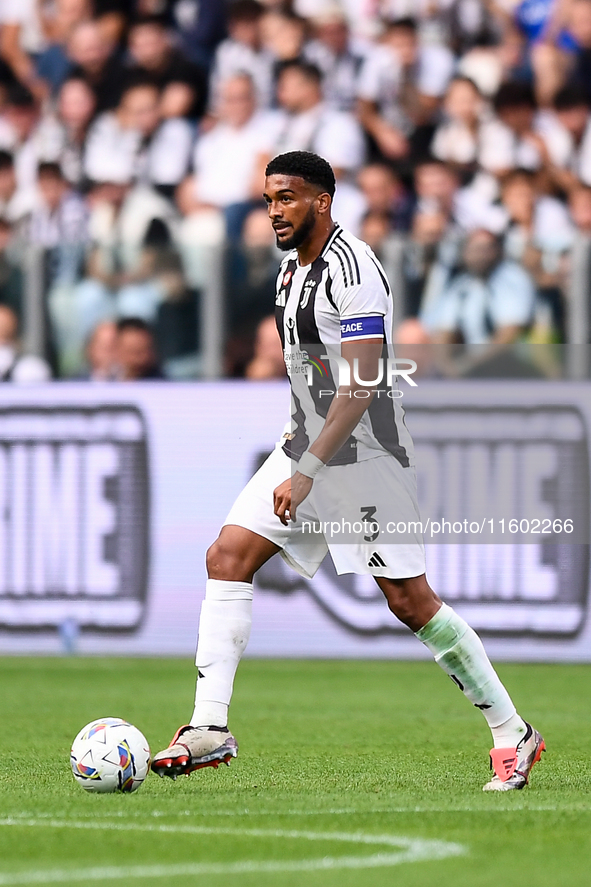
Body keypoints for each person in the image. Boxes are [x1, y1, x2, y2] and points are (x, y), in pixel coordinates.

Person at [152, 150, 545, 793]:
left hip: (362, 456)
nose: (274, 210)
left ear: (322, 201)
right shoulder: (289, 274)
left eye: (287, 198)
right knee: (227, 556)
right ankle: (208, 727)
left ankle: (513, 732)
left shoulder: (353, 267)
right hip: (307, 445)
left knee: (410, 601)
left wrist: (306, 467)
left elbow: (362, 380)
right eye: (269, 199)